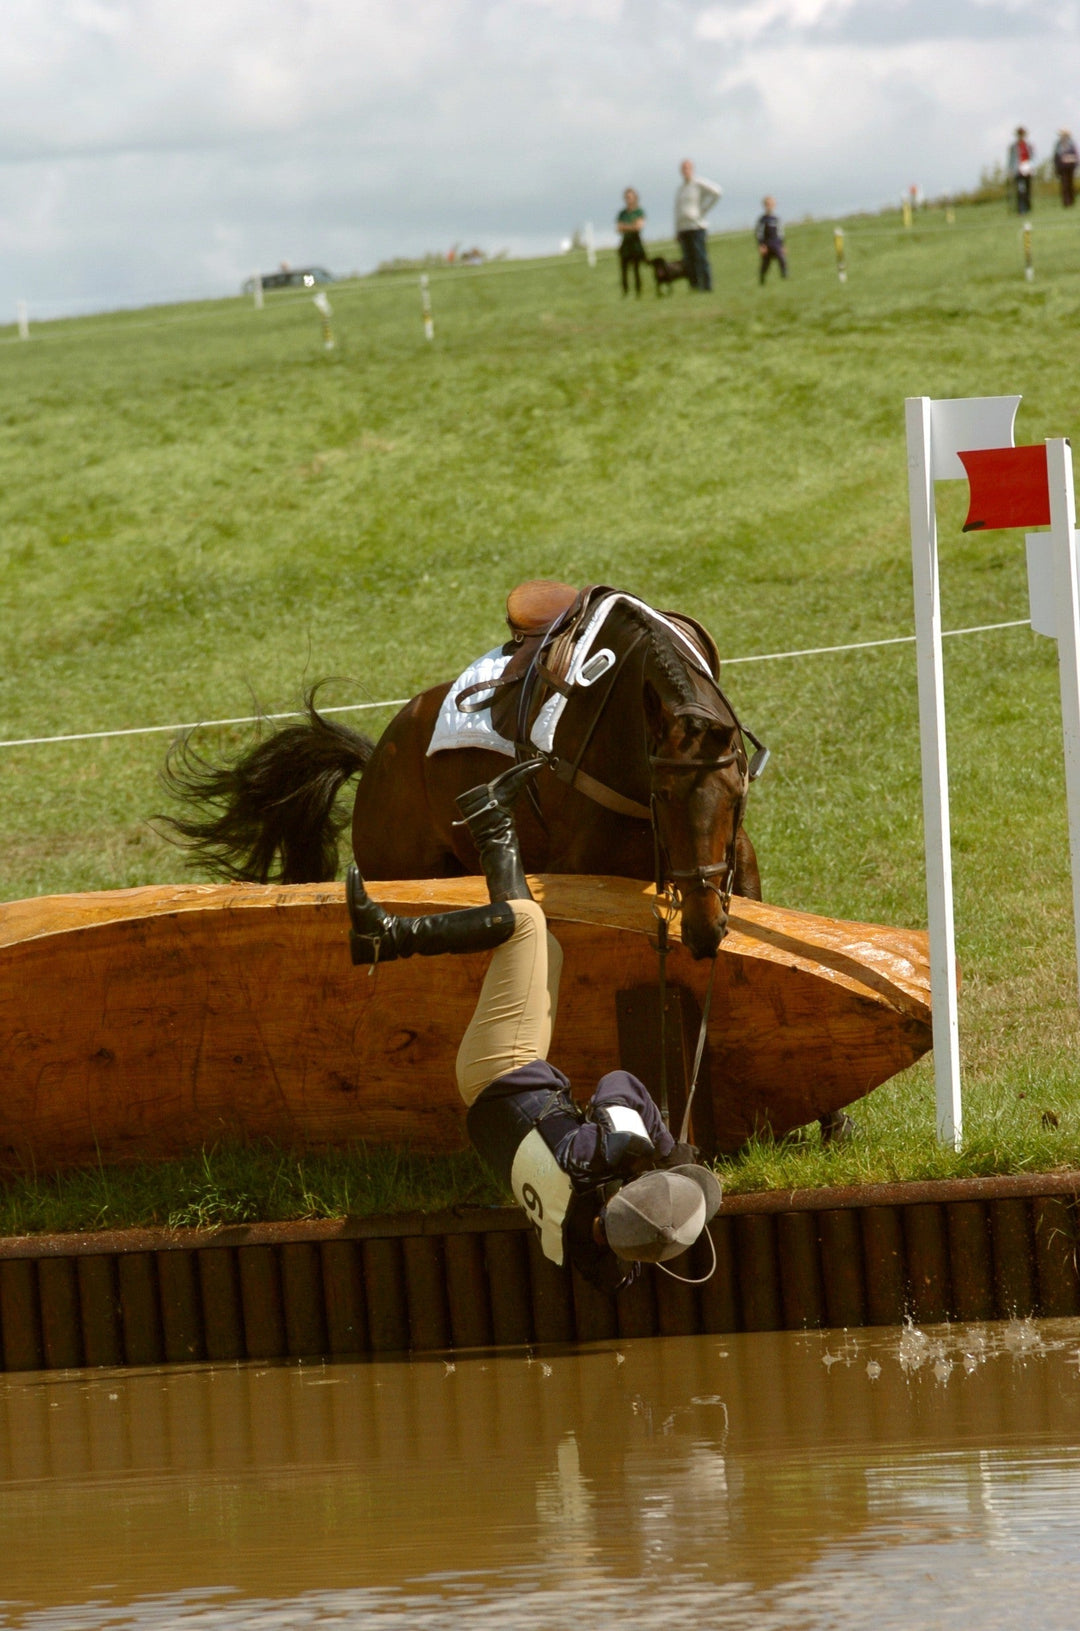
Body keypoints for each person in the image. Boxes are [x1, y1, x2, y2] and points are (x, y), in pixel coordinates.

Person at [346, 759, 720, 1295]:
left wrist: (665, 1152)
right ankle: (491, 819)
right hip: (500, 1091)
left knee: (525, 925)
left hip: (501, 1066)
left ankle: (385, 936)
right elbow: (621, 1264)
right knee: (548, 948)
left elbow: (620, 1084)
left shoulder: (599, 1157)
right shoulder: (584, 1248)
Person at [674, 159, 722, 291]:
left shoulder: (698, 183)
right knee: (688, 259)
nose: (685, 171)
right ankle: (694, 285)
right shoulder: (681, 189)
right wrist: (677, 230)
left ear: (692, 169)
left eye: (687, 168)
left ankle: (707, 286)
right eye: (683, 169)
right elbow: (677, 210)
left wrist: (703, 209)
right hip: (684, 228)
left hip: (697, 227)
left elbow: (717, 192)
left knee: (701, 257)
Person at [616, 188, 647, 297]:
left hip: (636, 243)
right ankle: (625, 291)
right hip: (625, 244)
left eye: (630, 197)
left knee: (636, 269)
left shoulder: (639, 211)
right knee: (624, 269)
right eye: (626, 197)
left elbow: (639, 226)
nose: (628, 199)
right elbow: (618, 228)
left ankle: (638, 291)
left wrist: (626, 227)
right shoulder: (622, 213)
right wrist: (631, 226)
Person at [755, 196, 787, 283]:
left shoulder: (776, 219)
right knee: (766, 263)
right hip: (766, 244)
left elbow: (781, 233)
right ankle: (762, 278)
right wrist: (761, 245)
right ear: (764, 206)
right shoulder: (762, 220)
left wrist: (782, 245)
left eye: (771, 204)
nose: (769, 206)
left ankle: (785, 276)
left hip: (776, 243)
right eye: (767, 204)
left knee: (781, 258)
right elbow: (759, 233)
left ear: (774, 205)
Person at [1007, 127, 1035, 214]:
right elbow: (1011, 159)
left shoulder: (1028, 146)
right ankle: (1021, 209)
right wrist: (1010, 170)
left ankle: (1028, 208)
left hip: (1027, 169)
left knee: (1028, 190)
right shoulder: (1014, 146)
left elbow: (1032, 157)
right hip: (1018, 170)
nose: (1021, 136)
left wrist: (1032, 167)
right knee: (1020, 190)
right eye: (1019, 134)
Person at [1054, 130, 1078, 207]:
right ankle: (1066, 202)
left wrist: (1075, 163)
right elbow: (1056, 157)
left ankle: (1072, 201)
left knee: (1070, 184)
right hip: (1062, 168)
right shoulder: (1058, 145)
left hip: (1070, 167)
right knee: (1064, 185)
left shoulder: (1071, 144)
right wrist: (1057, 167)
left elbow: (1075, 155)